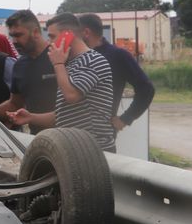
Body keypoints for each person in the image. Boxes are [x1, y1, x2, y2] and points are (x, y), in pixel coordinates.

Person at [6, 12, 116, 152]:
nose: (50, 43)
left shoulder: (93, 60)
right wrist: (31, 117)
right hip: (73, 148)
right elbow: (63, 115)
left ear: (68, 35)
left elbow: (71, 96)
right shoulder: (71, 64)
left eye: (52, 36)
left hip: (93, 150)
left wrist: (58, 64)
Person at [77, 13, 156, 132]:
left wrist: (126, 118)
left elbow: (146, 89)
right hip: (72, 131)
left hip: (102, 134)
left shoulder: (118, 55)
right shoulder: (73, 55)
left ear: (86, 32)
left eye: (74, 33)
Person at [0, 10, 57, 133]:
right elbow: (15, 104)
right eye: (12, 36)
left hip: (68, 137)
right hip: (37, 139)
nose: (14, 41)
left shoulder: (58, 58)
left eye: (18, 35)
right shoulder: (19, 65)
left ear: (35, 32)